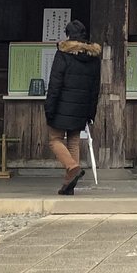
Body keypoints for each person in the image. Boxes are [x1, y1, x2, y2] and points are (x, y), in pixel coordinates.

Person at [44, 18, 102, 194]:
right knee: (74, 142)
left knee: (54, 140)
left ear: (68, 35)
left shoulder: (63, 54)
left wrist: (49, 108)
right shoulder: (93, 58)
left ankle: (72, 167)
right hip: (81, 108)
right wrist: (91, 112)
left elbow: (55, 84)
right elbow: (95, 88)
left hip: (62, 105)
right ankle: (69, 185)